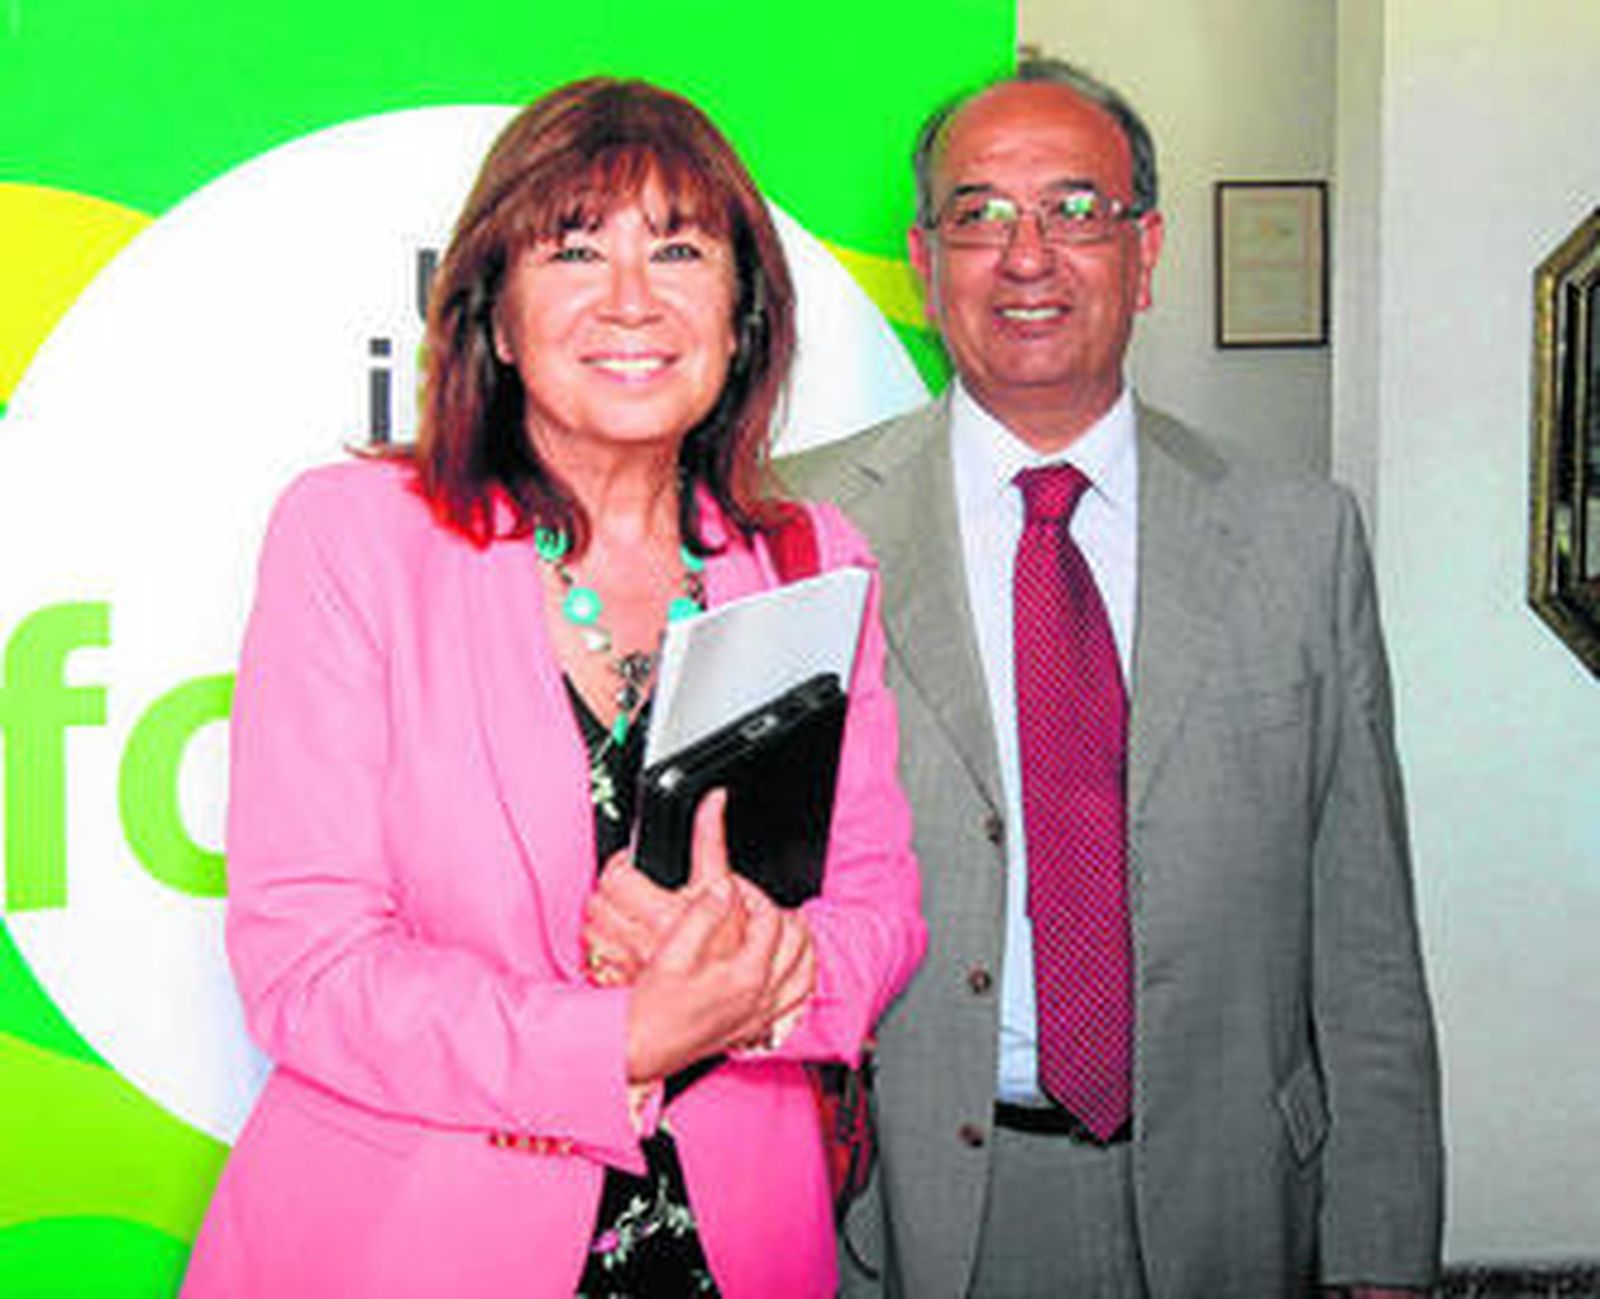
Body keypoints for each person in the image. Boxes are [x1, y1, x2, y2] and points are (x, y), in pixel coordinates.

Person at [181, 77, 924, 1299]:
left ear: (741, 314)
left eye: (679, 248)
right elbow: (308, 965)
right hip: (404, 1245)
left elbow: (878, 911)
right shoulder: (355, 538)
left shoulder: (809, 556)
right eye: (574, 248)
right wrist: (624, 1037)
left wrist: (745, 976)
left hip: (735, 1242)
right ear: (497, 318)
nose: (631, 298)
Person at [782, 58, 1442, 1298]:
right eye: (979, 215)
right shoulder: (799, 533)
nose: (1027, 256)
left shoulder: (1298, 538)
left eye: (1075, 210)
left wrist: (1383, 1247)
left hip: (1237, 1201)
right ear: (925, 265)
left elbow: (1364, 939)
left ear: (1145, 252)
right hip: (910, 1214)